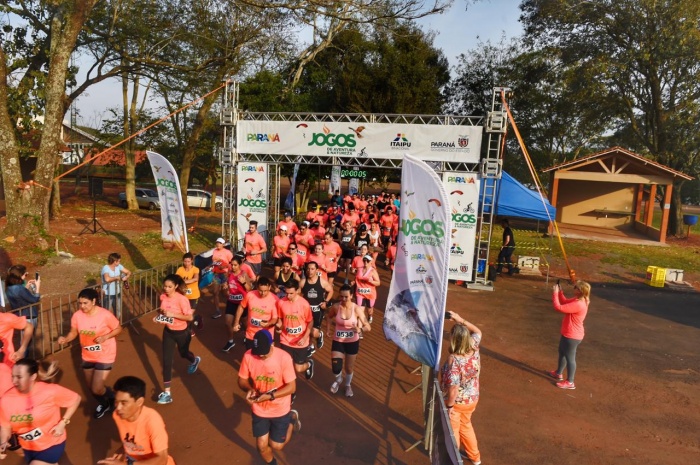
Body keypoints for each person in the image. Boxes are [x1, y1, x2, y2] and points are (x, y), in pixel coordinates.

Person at [0, 358, 81, 465]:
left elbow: (75, 399)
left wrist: (63, 423)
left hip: (52, 443)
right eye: (13, 376)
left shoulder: (49, 391)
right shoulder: (6, 399)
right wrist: (3, 443)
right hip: (28, 447)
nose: (14, 381)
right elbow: (5, 426)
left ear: (32, 377)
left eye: (19, 377)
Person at [57, 288, 122, 419]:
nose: (82, 306)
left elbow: (118, 328)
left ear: (94, 301)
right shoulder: (77, 316)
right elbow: (74, 332)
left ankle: (112, 398)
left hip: (105, 353)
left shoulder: (105, 315)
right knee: (91, 386)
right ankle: (106, 403)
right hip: (87, 354)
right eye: (80, 303)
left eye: (85, 303)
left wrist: (106, 337)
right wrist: (66, 339)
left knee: (96, 388)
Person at [238, 330, 300, 465]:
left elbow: (291, 387)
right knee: (261, 446)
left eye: (263, 352)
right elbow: (242, 380)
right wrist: (249, 389)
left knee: (277, 446)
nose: (260, 355)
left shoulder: (284, 358)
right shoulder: (248, 356)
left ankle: (291, 420)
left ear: (272, 345)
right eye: (258, 351)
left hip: (280, 408)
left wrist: (270, 396)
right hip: (259, 409)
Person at [99, 376, 175, 464]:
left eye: (124, 403)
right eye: (116, 402)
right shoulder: (117, 415)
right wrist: (123, 448)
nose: (118, 407)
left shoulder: (153, 421)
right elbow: (133, 436)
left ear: (139, 402)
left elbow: (162, 459)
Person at [440, 312, 483, 465]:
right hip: (472, 398)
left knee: (453, 434)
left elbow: (453, 388)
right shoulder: (473, 345)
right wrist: (461, 320)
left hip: (457, 402)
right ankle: (475, 458)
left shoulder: (454, 361)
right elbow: (478, 331)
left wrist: (449, 406)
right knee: (466, 426)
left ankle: (454, 461)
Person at [155, 274, 201, 405]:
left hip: (182, 333)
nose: (167, 289)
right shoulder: (163, 297)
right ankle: (167, 393)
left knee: (183, 353)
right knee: (167, 361)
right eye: (165, 286)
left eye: (170, 286)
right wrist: (160, 318)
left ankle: (194, 360)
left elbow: (189, 318)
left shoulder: (182, 300)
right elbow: (163, 313)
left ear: (175, 286)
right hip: (168, 332)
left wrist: (173, 314)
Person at [326, 285, 371, 397]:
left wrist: (360, 329)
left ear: (351, 296)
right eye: (341, 297)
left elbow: (368, 327)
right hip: (338, 341)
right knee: (336, 368)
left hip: (352, 342)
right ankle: (339, 378)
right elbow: (329, 316)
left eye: (346, 297)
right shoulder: (336, 307)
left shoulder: (357, 309)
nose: (343, 299)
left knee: (348, 368)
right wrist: (328, 329)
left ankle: (347, 385)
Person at [548, 280, 591, 390]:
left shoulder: (579, 304)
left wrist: (554, 293)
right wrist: (560, 292)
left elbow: (559, 307)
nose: (574, 288)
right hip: (568, 333)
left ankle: (570, 382)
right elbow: (565, 301)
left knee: (570, 358)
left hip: (572, 335)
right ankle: (558, 373)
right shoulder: (580, 299)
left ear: (580, 291)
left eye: (576, 287)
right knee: (562, 352)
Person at [275, 280, 315, 380]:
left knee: (298, 368)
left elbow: (310, 321)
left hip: (300, 341)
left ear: (297, 290)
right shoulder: (281, 302)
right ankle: (289, 390)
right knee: (285, 365)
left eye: (291, 293)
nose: (288, 296)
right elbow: (280, 318)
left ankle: (309, 364)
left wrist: (305, 337)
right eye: (286, 293)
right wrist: (278, 326)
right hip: (285, 339)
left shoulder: (304, 304)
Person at [234, 277, 279, 350]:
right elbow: (241, 306)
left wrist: (268, 324)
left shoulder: (275, 299)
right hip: (251, 334)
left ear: (270, 287)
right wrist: (236, 322)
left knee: (265, 358)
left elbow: (275, 318)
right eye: (260, 291)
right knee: (250, 356)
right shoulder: (250, 295)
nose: (263, 293)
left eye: (265, 291)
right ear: (257, 287)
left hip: (266, 335)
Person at [299, 262, 333, 354]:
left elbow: (330, 291)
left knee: (313, 332)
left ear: (317, 270)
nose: (310, 271)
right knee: (305, 329)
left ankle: (319, 335)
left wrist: (325, 302)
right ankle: (311, 346)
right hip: (306, 310)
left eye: (312, 269)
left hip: (318, 309)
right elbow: (297, 294)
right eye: (308, 269)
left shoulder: (322, 282)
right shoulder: (303, 282)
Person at [222, 256, 252, 353]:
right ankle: (230, 341)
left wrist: (243, 283)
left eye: (235, 265)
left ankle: (247, 336)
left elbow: (249, 289)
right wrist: (225, 289)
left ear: (240, 265)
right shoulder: (229, 274)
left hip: (242, 303)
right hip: (231, 301)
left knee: (245, 322)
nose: (233, 267)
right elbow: (225, 292)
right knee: (227, 322)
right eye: (232, 265)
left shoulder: (244, 274)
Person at [4, 265, 40, 330]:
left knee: (24, 337)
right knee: (28, 338)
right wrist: (37, 287)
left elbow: (18, 297)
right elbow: (35, 300)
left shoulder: (8, 288)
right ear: (20, 276)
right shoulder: (19, 288)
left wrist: (25, 288)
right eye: (25, 274)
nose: (25, 276)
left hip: (19, 316)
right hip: (29, 316)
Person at [176, 252, 201, 336]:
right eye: (185, 261)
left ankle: (189, 329)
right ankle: (197, 318)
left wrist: (183, 282)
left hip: (194, 296)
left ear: (192, 261)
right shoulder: (180, 270)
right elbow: (176, 279)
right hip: (183, 297)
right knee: (183, 314)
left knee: (189, 314)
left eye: (188, 261)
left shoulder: (195, 269)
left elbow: (195, 279)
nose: (187, 263)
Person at [101, 252, 131, 319]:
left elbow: (128, 272)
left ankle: (116, 323)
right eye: (119, 261)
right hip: (108, 293)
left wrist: (127, 276)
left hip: (117, 292)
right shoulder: (105, 268)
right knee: (106, 311)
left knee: (118, 310)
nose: (119, 262)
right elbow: (107, 279)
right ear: (115, 261)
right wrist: (116, 278)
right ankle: (105, 326)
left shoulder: (118, 266)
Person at [352, 254, 380, 324]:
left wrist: (372, 281)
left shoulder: (373, 271)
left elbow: (378, 283)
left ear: (371, 262)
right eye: (364, 260)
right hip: (360, 293)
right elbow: (356, 278)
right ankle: (361, 325)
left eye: (367, 261)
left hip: (370, 294)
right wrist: (353, 281)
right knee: (360, 309)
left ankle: (370, 316)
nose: (365, 262)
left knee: (370, 309)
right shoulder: (359, 269)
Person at [211, 237, 233, 319]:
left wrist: (225, 266)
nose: (218, 244)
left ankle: (232, 307)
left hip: (224, 274)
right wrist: (210, 266)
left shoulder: (228, 252)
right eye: (217, 242)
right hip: (216, 274)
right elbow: (214, 262)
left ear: (223, 244)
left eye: (220, 243)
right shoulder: (214, 251)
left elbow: (232, 263)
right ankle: (217, 311)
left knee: (225, 293)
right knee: (215, 292)